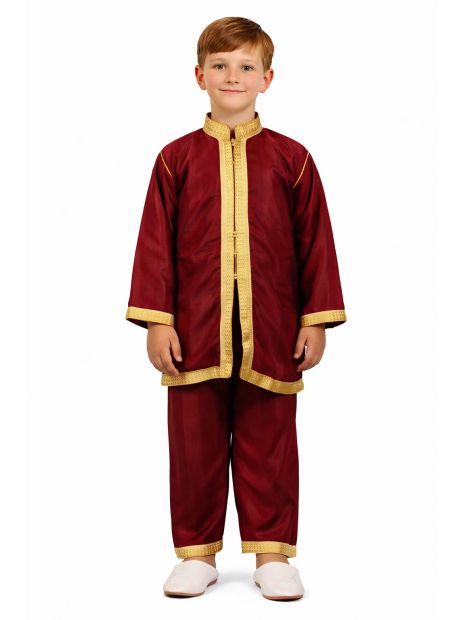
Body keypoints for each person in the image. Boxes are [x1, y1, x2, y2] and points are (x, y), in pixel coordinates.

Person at [125, 16, 347, 600]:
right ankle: (196, 554)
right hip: (193, 333)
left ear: (267, 78)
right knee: (193, 446)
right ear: (199, 75)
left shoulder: (293, 159)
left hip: (272, 329)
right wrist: (157, 321)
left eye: (246, 66)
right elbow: (155, 245)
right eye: (220, 66)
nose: (232, 76)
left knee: (270, 443)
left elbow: (315, 244)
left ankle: (273, 554)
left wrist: (315, 319)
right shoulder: (174, 159)